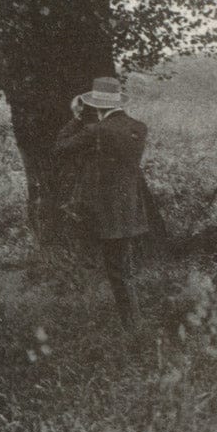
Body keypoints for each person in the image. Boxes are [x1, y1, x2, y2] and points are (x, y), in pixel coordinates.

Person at [53, 77, 149, 330]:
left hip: (94, 209)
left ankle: (87, 323)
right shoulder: (139, 128)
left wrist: (76, 117)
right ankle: (133, 325)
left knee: (87, 264)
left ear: (97, 106)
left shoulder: (94, 130)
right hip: (127, 210)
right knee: (122, 271)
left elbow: (60, 147)